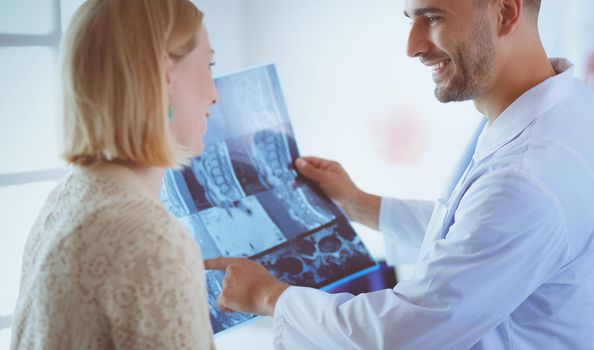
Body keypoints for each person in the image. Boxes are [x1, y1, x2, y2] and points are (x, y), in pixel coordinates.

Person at [205, 0, 594, 348]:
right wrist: (358, 204)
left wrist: (269, 297)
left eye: (432, 17)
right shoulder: (569, 108)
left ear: (505, 12)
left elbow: (405, 332)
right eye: (411, 19)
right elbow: (477, 230)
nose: (413, 47)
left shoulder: (526, 176)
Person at [11, 0, 218, 349]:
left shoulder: (68, 197)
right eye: (209, 66)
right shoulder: (151, 238)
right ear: (165, 75)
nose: (215, 95)